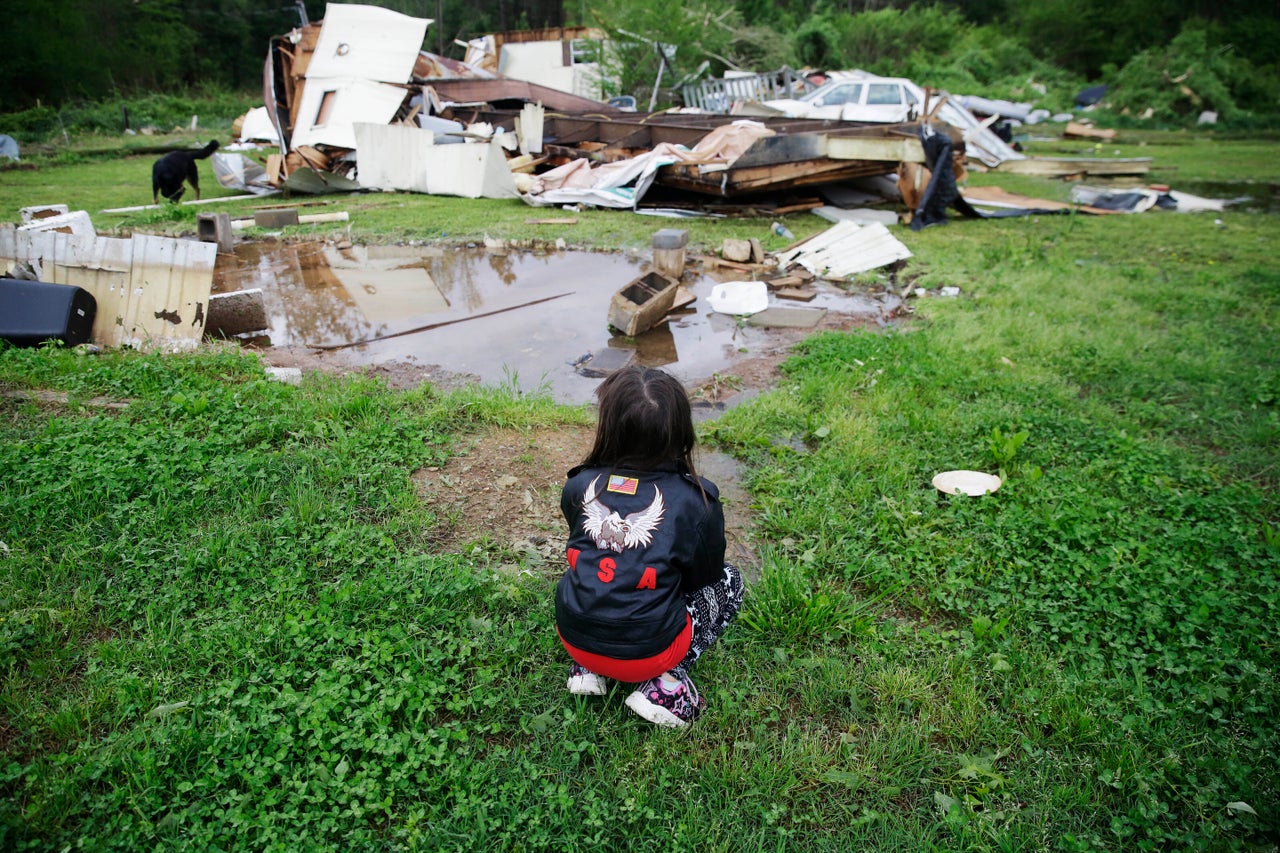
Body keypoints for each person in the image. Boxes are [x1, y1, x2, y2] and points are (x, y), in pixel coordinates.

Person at [555, 366, 745, 728]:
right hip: (647, 652)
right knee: (731, 582)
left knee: (589, 567)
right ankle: (666, 686)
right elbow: (703, 577)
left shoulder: (580, 484)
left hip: (574, 635)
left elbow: (580, 537)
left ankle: (587, 669)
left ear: (608, 427)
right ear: (680, 431)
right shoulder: (697, 501)